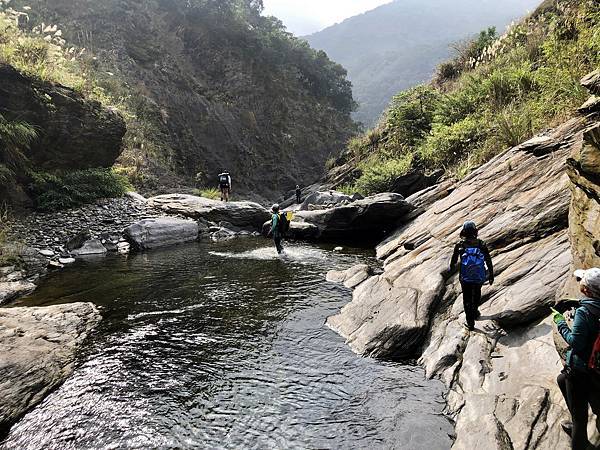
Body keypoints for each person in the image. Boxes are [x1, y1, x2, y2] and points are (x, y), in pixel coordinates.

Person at [553, 268, 600, 450]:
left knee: (580, 417)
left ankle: (579, 441)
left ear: (587, 289)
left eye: (582, 281)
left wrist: (560, 322)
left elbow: (575, 342)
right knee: (561, 379)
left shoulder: (584, 312)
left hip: (582, 369)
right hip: (596, 366)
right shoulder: (590, 306)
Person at [449, 221, 494, 331]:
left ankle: (470, 323)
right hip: (479, 275)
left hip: (465, 277)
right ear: (475, 231)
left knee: (467, 298)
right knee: (477, 293)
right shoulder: (481, 244)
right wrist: (491, 274)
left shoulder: (460, 245)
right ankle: (475, 311)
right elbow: (488, 260)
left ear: (464, 232)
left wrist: (452, 267)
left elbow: (453, 261)